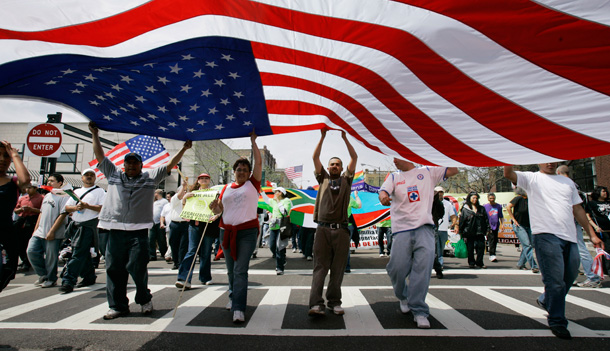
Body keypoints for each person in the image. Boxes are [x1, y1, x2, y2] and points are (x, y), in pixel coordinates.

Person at [89, 121, 191, 320]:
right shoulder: (113, 175)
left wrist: (184, 149)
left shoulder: (150, 177)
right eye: (128, 162)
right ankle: (118, 306)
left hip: (138, 231)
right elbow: (100, 156)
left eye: (135, 163)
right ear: (124, 164)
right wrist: (95, 134)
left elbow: (170, 164)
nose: (131, 166)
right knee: (113, 269)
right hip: (114, 229)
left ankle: (144, 298)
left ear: (141, 165)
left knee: (136, 266)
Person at [504, 163, 604, 339]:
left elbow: (578, 209)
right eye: (545, 159)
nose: (549, 163)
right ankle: (557, 320)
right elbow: (509, 174)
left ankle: (546, 300)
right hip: (545, 236)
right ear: (538, 161)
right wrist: (509, 156)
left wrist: (592, 235)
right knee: (555, 281)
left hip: (570, 237)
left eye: (553, 160)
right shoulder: (531, 178)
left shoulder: (568, 183)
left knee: (570, 275)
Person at [379, 158, 458, 328]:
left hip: (424, 228)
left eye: (397, 156)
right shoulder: (394, 177)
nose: (394, 161)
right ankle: (403, 295)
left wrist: (438, 151)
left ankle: (419, 310)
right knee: (397, 268)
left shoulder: (428, 172)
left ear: (407, 155)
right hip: (401, 230)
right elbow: (383, 192)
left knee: (422, 269)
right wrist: (384, 196)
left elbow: (454, 170)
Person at [209, 131, 262, 323]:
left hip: (247, 233)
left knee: (240, 269)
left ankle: (239, 307)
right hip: (226, 231)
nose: (241, 172)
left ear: (249, 173)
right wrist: (216, 209)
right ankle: (233, 297)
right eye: (238, 169)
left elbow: (259, 163)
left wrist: (253, 142)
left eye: (244, 170)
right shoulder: (224, 189)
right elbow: (221, 210)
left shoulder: (253, 185)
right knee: (231, 270)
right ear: (234, 171)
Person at [307, 130, 357, 317]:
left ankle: (334, 302)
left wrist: (345, 138)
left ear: (342, 167)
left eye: (337, 164)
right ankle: (316, 304)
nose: (334, 166)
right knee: (320, 268)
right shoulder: (323, 178)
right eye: (332, 164)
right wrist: (322, 136)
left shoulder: (347, 180)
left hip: (342, 231)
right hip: (322, 229)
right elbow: (315, 156)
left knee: (338, 269)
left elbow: (354, 156)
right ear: (328, 167)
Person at [59, 168, 106, 293]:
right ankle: (89, 276)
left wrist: (87, 206)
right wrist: (76, 207)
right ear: (82, 178)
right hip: (76, 226)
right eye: (86, 175)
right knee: (82, 253)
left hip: (88, 227)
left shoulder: (100, 191)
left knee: (77, 253)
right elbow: (67, 207)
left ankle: (68, 280)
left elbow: (102, 208)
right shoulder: (76, 192)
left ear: (95, 178)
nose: (89, 177)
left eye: (91, 175)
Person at [555, 166, 602, 288]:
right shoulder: (575, 185)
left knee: (580, 249)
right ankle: (575, 277)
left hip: (571, 220)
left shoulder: (567, 184)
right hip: (572, 220)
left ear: (558, 172)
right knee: (572, 250)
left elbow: (574, 206)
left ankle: (593, 277)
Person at [176, 173, 221, 289]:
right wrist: (185, 198)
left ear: (209, 180)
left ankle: (205, 277)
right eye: (202, 178)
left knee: (205, 252)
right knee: (191, 251)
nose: (204, 180)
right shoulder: (193, 193)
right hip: (195, 225)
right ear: (198, 181)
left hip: (208, 225)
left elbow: (219, 209)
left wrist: (215, 216)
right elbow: (185, 207)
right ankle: (184, 278)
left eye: (206, 178)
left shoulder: (214, 193)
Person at [27, 174, 70, 288]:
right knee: (31, 251)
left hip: (54, 233)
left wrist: (52, 231)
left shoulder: (63, 196)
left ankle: (51, 278)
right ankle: (42, 275)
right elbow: (41, 213)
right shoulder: (47, 196)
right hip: (40, 231)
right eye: (48, 181)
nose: (49, 182)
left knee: (51, 257)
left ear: (60, 183)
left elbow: (62, 215)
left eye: (52, 181)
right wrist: (36, 230)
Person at [0, 140, 30, 292]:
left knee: (5, 274)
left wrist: (15, 155)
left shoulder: (13, 182)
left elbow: (25, 181)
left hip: (5, 237)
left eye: (5, 156)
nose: (2, 160)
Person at [506, 187, 539, 273]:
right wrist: (513, 220)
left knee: (529, 245)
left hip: (529, 225)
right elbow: (508, 206)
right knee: (527, 245)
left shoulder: (530, 200)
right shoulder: (518, 198)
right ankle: (534, 266)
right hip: (519, 225)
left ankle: (520, 263)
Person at [13, 182, 43, 272]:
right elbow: (15, 210)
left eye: (30, 188)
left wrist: (32, 209)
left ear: (35, 188)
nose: (28, 190)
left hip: (33, 220)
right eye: (27, 188)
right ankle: (24, 260)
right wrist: (21, 209)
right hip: (22, 220)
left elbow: (43, 211)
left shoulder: (41, 198)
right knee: (19, 242)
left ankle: (29, 262)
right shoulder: (23, 198)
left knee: (29, 242)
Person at [458, 191, 489, 269]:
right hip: (469, 231)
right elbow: (462, 221)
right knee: (470, 248)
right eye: (473, 198)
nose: (475, 199)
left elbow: (486, 219)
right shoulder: (465, 209)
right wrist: (460, 231)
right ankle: (471, 262)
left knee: (481, 247)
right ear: (469, 198)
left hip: (480, 231)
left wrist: (488, 229)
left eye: (476, 198)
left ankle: (480, 262)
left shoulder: (481, 208)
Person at [585, 185, 610, 276]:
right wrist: (595, 227)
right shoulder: (592, 204)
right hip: (600, 230)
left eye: (606, 191)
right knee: (606, 248)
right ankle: (607, 268)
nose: (605, 193)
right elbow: (587, 216)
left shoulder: (608, 202)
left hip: (608, 228)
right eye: (603, 191)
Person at [267, 187, 293, 275]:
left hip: (282, 226)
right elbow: (266, 200)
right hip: (273, 226)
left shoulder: (287, 201)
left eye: (276, 192)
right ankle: (282, 260)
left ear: (280, 193)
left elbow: (285, 212)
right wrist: (262, 191)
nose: (274, 193)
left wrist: (278, 202)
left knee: (280, 247)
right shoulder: (273, 201)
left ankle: (279, 267)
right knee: (272, 246)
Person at [165, 184, 189, 270]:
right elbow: (179, 196)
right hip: (175, 224)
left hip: (185, 224)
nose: (185, 192)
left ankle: (181, 262)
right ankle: (176, 262)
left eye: (186, 191)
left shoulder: (189, 200)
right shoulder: (175, 199)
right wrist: (184, 186)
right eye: (183, 191)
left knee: (183, 245)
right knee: (173, 243)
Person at [434, 187, 456, 269]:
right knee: (436, 248)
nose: (439, 193)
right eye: (437, 192)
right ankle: (439, 263)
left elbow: (453, 215)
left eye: (441, 192)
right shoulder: (430, 202)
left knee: (441, 247)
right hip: (433, 229)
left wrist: (454, 223)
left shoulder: (448, 204)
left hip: (443, 229)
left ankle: (438, 262)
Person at [149, 189, 169, 261]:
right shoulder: (154, 202)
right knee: (151, 239)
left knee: (161, 239)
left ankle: (163, 253)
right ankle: (152, 255)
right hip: (153, 223)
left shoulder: (164, 201)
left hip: (160, 223)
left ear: (157, 193)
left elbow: (165, 212)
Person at [345, 190, 362, 273]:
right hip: (348, 225)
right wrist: (356, 196)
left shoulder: (333, 197)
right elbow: (359, 205)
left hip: (337, 225)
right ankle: (346, 267)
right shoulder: (348, 198)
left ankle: (335, 266)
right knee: (345, 247)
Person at [484, 192, 504, 262]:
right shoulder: (485, 206)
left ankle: (493, 253)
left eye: (493, 198)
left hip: (496, 225)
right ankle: (492, 255)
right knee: (491, 240)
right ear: (488, 199)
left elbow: (501, 216)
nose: (492, 199)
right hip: (489, 226)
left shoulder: (498, 206)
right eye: (490, 198)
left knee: (495, 240)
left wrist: (502, 224)